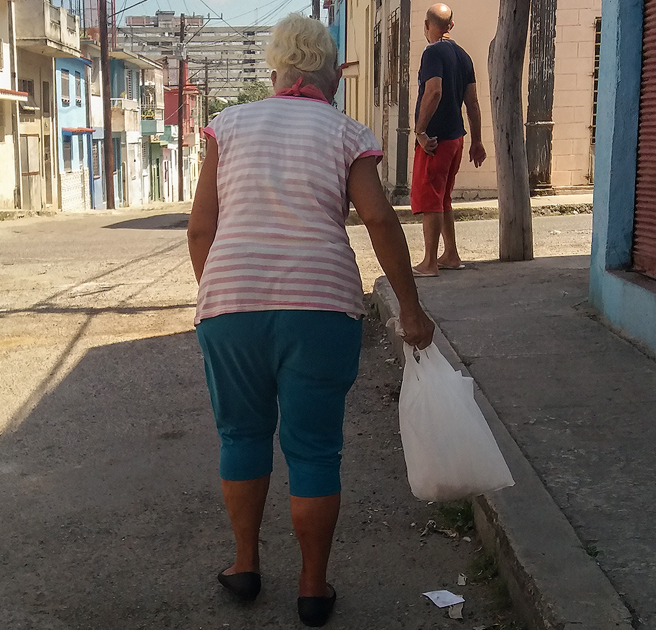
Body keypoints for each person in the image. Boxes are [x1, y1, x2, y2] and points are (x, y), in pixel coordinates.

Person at [187, 14, 436, 627]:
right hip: (322, 306)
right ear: (329, 72)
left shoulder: (229, 125)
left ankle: (244, 566)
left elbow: (200, 227)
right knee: (315, 449)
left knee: (241, 438)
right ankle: (312, 587)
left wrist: (224, 295)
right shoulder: (346, 131)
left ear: (275, 71)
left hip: (231, 308)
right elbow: (379, 220)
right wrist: (410, 306)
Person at [411, 3, 486, 277]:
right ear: (450, 26)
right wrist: (477, 141)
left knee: (430, 199)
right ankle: (451, 255)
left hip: (435, 140)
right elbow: (473, 103)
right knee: (443, 199)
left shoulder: (431, 53)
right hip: (457, 139)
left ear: (427, 25)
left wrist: (419, 132)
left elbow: (434, 91)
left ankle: (429, 262)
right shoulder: (464, 56)